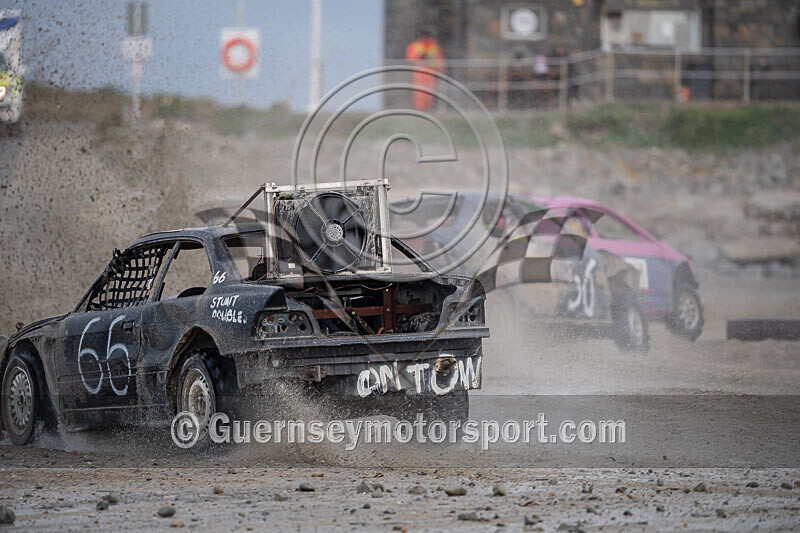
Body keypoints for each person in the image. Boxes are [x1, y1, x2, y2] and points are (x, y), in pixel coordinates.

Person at [405, 28, 444, 110]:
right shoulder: (414, 46)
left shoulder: (434, 47)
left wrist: (439, 69)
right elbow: (410, 59)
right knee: (419, 94)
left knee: (429, 93)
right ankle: (419, 110)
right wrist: (420, 57)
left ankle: (428, 110)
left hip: (430, 73)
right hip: (419, 74)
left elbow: (439, 60)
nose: (425, 38)